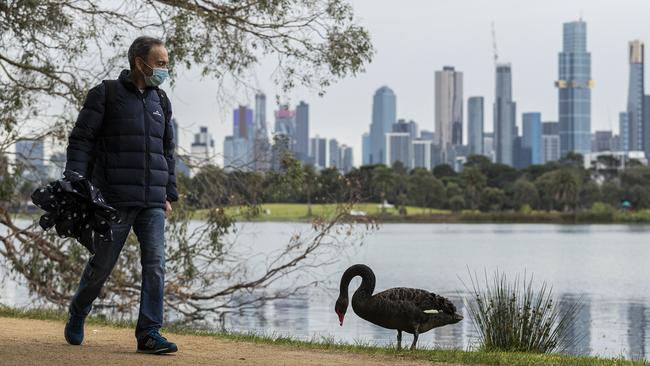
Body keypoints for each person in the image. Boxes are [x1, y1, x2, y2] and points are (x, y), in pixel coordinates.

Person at [63, 36, 179, 354]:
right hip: (113, 197)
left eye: (166, 63)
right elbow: (81, 140)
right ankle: (78, 311)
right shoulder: (105, 94)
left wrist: (168, 191)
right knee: (102, 263)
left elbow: (167, 150)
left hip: (152, 200)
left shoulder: (161, 101)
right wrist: (75, 179)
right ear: (139, 63)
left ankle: (149, 333)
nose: (165, 69)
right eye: (160, 63)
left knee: (155, 264)